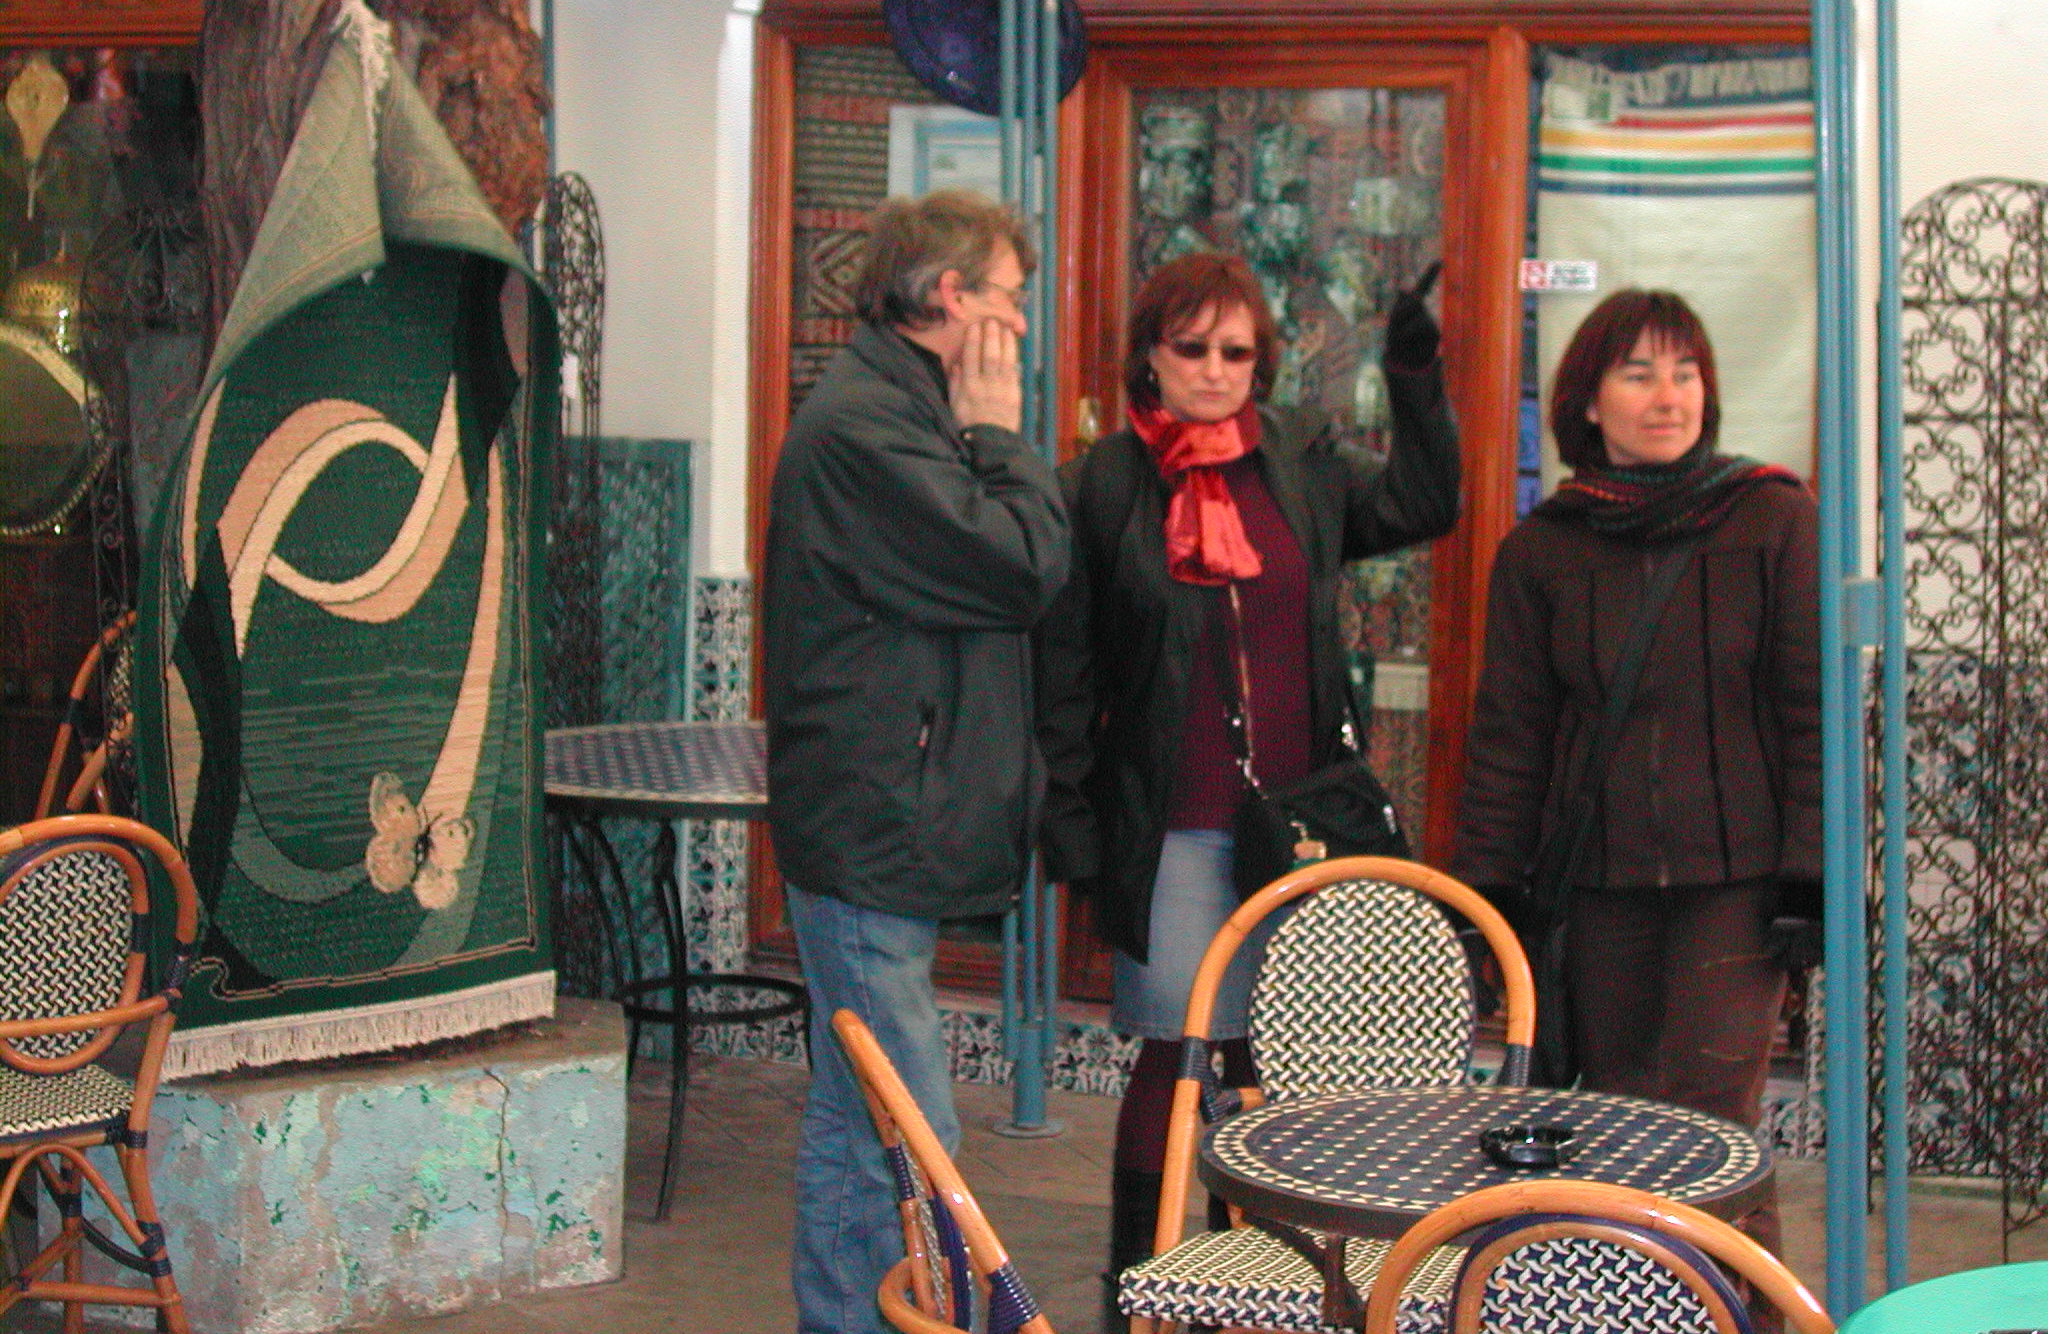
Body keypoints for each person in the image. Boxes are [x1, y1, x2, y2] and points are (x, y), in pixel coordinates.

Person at [1035, 250, 1461, 1313]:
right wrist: (1072, 825)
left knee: (1277, 1058)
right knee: (1180, 1052)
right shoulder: (1101, 485)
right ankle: (1138, 1285)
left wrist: (1414, 378)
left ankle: (1262, 1285)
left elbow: (1422, 502)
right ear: (1149, 356)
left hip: (1299, 820)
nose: (1216, 371)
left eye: (1236, 351)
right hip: (1174, 823)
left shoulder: (1300, 462)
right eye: (1193, 349)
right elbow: (1064, 672)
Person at [763, 189, 1075, 1334]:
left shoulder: (893, 408)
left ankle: (842, 1318)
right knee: (905, 1132)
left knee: (865, 1119)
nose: (1021, 325)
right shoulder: (867, 429)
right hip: (868, 828)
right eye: (1010, 298)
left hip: (881, 820)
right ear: (950, 296)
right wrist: (998, 434)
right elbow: (1020, 567)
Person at [1453, 287, 1821, 1249]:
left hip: (1736, 883)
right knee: (1613, 1122)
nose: (1668, 396)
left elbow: (1812, 712)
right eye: (1639, 373)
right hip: (1598, 885)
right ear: (1587, 401)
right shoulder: (1542, 548)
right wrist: (1491, 895)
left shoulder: (1773, 518)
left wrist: (1811, 880)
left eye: (1686, 372)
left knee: (1712, 1127)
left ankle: (1740, 1311)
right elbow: (1511, 735)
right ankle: (1633, 1305)